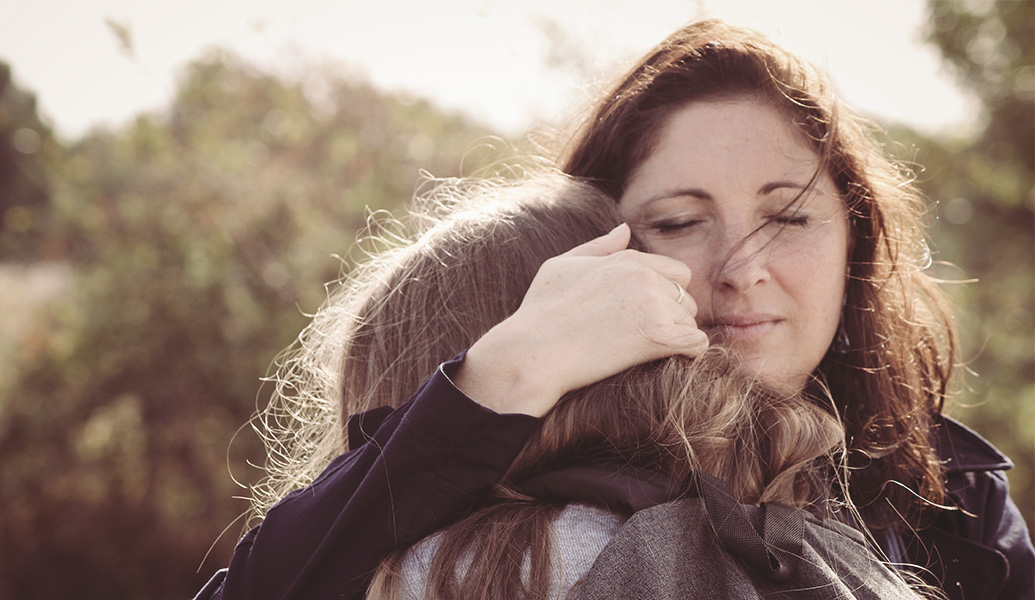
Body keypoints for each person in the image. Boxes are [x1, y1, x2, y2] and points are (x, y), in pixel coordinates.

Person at [195, 18, 1034, 600]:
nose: (741, 271)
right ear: (590, 255)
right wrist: (498, 375)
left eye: (786, 217)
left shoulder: (955, 502)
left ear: (853, 241)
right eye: (677, 223)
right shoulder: (501, 494)